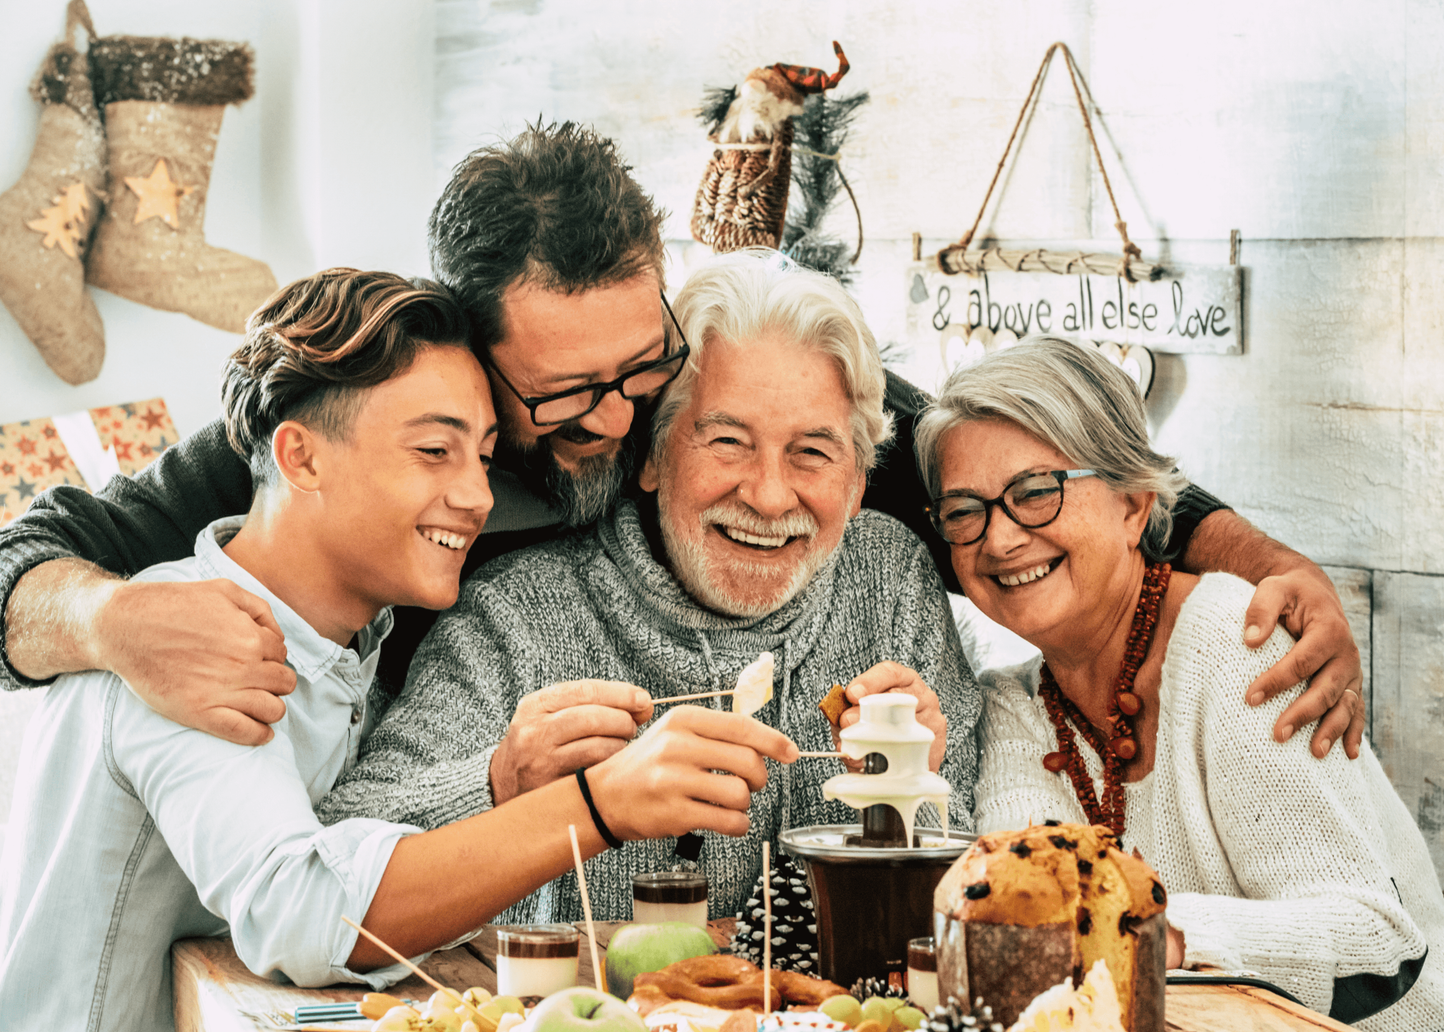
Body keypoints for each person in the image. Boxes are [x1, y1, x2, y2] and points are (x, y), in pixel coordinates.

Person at [0, 123, 1362, 771]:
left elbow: (1008, 457)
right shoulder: (363, 407)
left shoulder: (720, 372)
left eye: (641, 365)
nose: (618, 415)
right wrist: (116, 624)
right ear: (476, 354)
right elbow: (26, 557)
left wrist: (1263, 559)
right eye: (566, 394)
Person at [0, 270, 795, 1032]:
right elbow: (301, 912)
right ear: (301, 458)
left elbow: (347, 855)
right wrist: (599, 805)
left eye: (483, 456)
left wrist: (502, 786)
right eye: (433, 451)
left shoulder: (351, 643)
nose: (477, 496)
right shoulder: (194, 644)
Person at [916, 337, 1444, 1032]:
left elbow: (1373, 943)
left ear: (1134, 506)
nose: (999, 538)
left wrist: (1151, 933)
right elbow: (1024, 928)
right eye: (964, 511)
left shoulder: (1239, 639)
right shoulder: (1017, 705)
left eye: (1036, 492)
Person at [315, 250, 976, 924]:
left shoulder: (889, 580)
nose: (771, 497)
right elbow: (337, 865)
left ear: (859, 481)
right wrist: (500, 781)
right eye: (727, 441)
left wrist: (918, 791)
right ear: (654, 456)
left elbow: (979, 880)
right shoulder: (518, 615)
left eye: (812, 451)